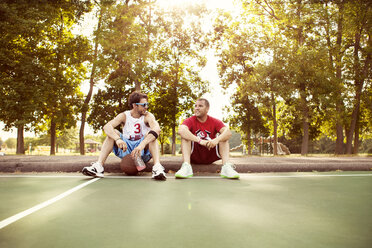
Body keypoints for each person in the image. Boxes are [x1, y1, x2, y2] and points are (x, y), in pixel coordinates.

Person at [82, 91, 167, 180]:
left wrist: (142, 145)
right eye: (143, 105)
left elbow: (157, 129)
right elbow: (107, 127)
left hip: (142, 151)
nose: (146, 107)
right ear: (135, 105)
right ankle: (98, 166)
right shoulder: (124, 116)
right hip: (126, 149)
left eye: (147, 104)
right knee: (113, 132)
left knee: (151, 134)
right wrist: (117, 139)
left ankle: (157, 167)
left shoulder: (148, 116)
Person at [175, 98, 239, 179]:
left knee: (224, 137)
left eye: (200, 106)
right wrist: (200, 141)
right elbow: (181, 130)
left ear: (207, 109)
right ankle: (186, 167)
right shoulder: (190, 120)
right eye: (195, 106)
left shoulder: (214, 121)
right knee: (185, 137)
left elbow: (228, 132)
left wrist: (216, 140)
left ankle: (226, 167)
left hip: (210, 153)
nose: (197, 108)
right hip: (194, 154)